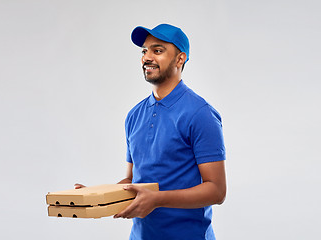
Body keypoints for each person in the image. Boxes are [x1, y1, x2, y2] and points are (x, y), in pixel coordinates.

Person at [76, 23, 226, 240]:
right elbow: (131, 181)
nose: (147, 57)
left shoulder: (200, 114)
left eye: (157, 51)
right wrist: (94, 197)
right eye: (144, 51)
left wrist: (157, 199)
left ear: (179, 59)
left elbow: (217, 190)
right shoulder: (134, 115)